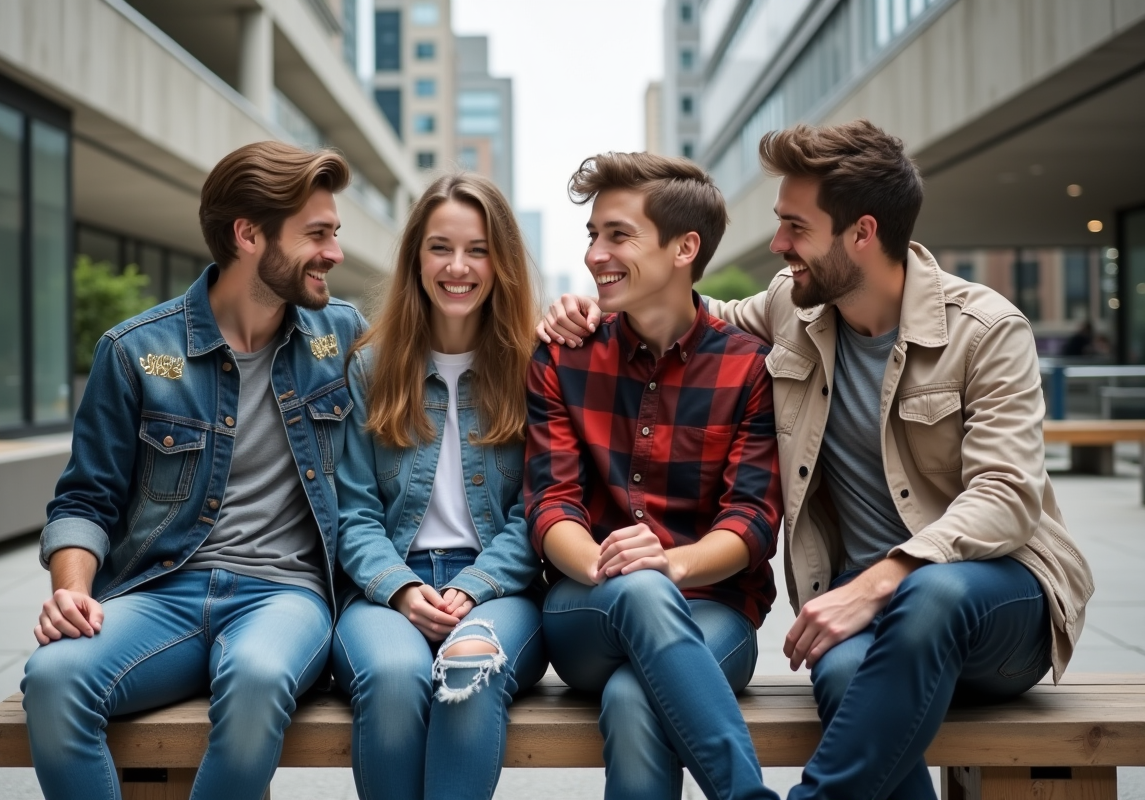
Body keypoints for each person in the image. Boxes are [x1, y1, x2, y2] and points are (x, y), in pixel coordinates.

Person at [538, 121, 1095, 800]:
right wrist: (586, 308)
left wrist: (879, 581)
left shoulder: (986, 330)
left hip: (996, 604)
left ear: (862, 233)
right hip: (865, 618)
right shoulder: (794, 308)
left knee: (933, 593)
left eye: (795, 227)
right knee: (843, 678)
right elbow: (688, 314)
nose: (778, 244)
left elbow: (1007, 496)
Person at [21, 141, 365, 800]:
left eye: (335, 232)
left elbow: (452, 346)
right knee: (55, 678)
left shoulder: (343, 336)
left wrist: (561, 322)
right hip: (161, 590)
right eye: (317, 234)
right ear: (248, 235)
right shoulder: (135, 351)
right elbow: (84, 502)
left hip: (285, 595)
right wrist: (72, 592)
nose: (335, 252)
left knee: (258, 679)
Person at [526, 152, 783, 800]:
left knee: (633, 696)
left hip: (715, 610)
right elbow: (551, 504)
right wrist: (614, 567)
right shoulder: (563, 356)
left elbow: (752, 519)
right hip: (588, 605)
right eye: (593, 235)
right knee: (639, 590)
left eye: (618, 235)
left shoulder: (750, 368)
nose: (595, 255)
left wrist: (670, 565)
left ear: (684, 248)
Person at [332, 173, 547, 800]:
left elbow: (538, 509)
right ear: (415, 259)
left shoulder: (534, 367)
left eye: (478, 250)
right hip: (385, 588)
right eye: (440, 248)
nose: (458, 267)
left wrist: (472, 587)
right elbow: (352, 511)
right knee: (393, 676)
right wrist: (401, 589)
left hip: (500, 591)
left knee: (469, 669)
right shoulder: (370, 367)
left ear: (502, 262)